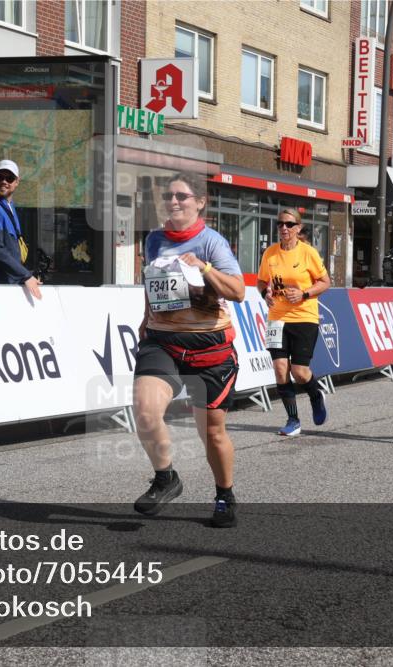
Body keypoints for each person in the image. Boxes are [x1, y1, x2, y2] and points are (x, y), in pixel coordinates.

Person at [132, 172, 245, 527]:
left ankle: (224, 494)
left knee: (211, 432)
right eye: (169, 196)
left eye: (182, 196)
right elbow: (155, 285)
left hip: (209, 346)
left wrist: (204, 268)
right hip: (163, 341)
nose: (174, 201)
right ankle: (166, 478)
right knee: (145, 409)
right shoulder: (154, 240)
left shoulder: (212, 243)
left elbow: (238, 292)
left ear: (200, 203)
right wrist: (146, 317)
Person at [257, 208, 332, 436]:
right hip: (277, 318)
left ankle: (315, 394)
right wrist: (265, 294)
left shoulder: (308, 252)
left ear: (298, 228)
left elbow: (325, 282)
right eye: (280, 224)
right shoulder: (270, 253)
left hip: (304, 318)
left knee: (299, 372)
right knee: (280, 369)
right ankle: (293, 420)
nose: (284, 228)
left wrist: (304, 294)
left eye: (289, 224)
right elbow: (261, 281)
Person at [0, 159, 42, 299]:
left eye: (9, 178)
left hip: (7, 285)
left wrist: (24, 274)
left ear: (17, 182)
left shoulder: (8, 206)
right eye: (0, 177)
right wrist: (26, 276)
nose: (4, 181)